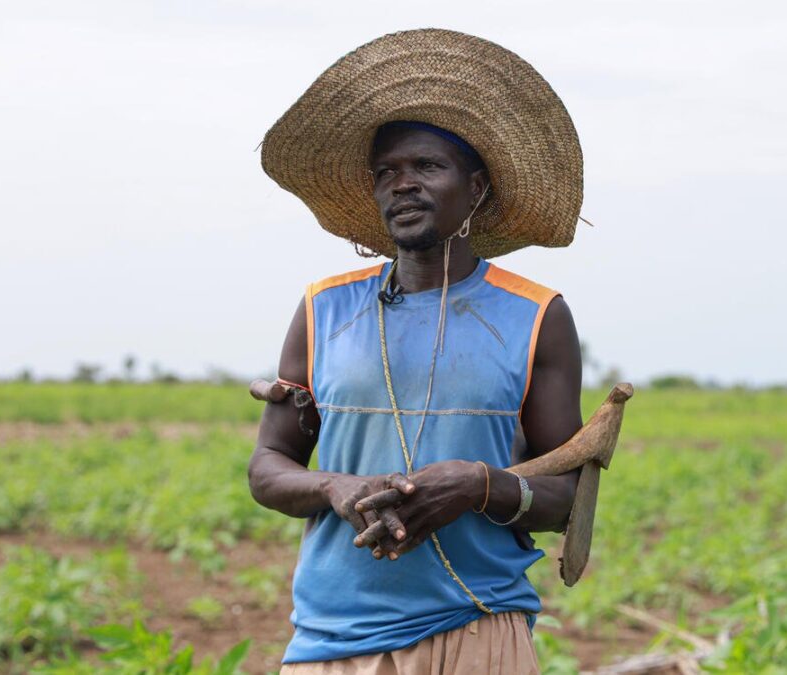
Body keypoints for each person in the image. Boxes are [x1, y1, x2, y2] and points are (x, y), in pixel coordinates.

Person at [249, 28, 587, 674]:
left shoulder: (537, 315)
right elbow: (268, 465)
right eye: (387, 172)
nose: (402, 184)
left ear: (477, 188)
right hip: (333, 632)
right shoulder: (324, 309)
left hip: (477, 623)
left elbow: (566, 495)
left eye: (426, 166)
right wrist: (336, 485)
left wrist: (477, 486)